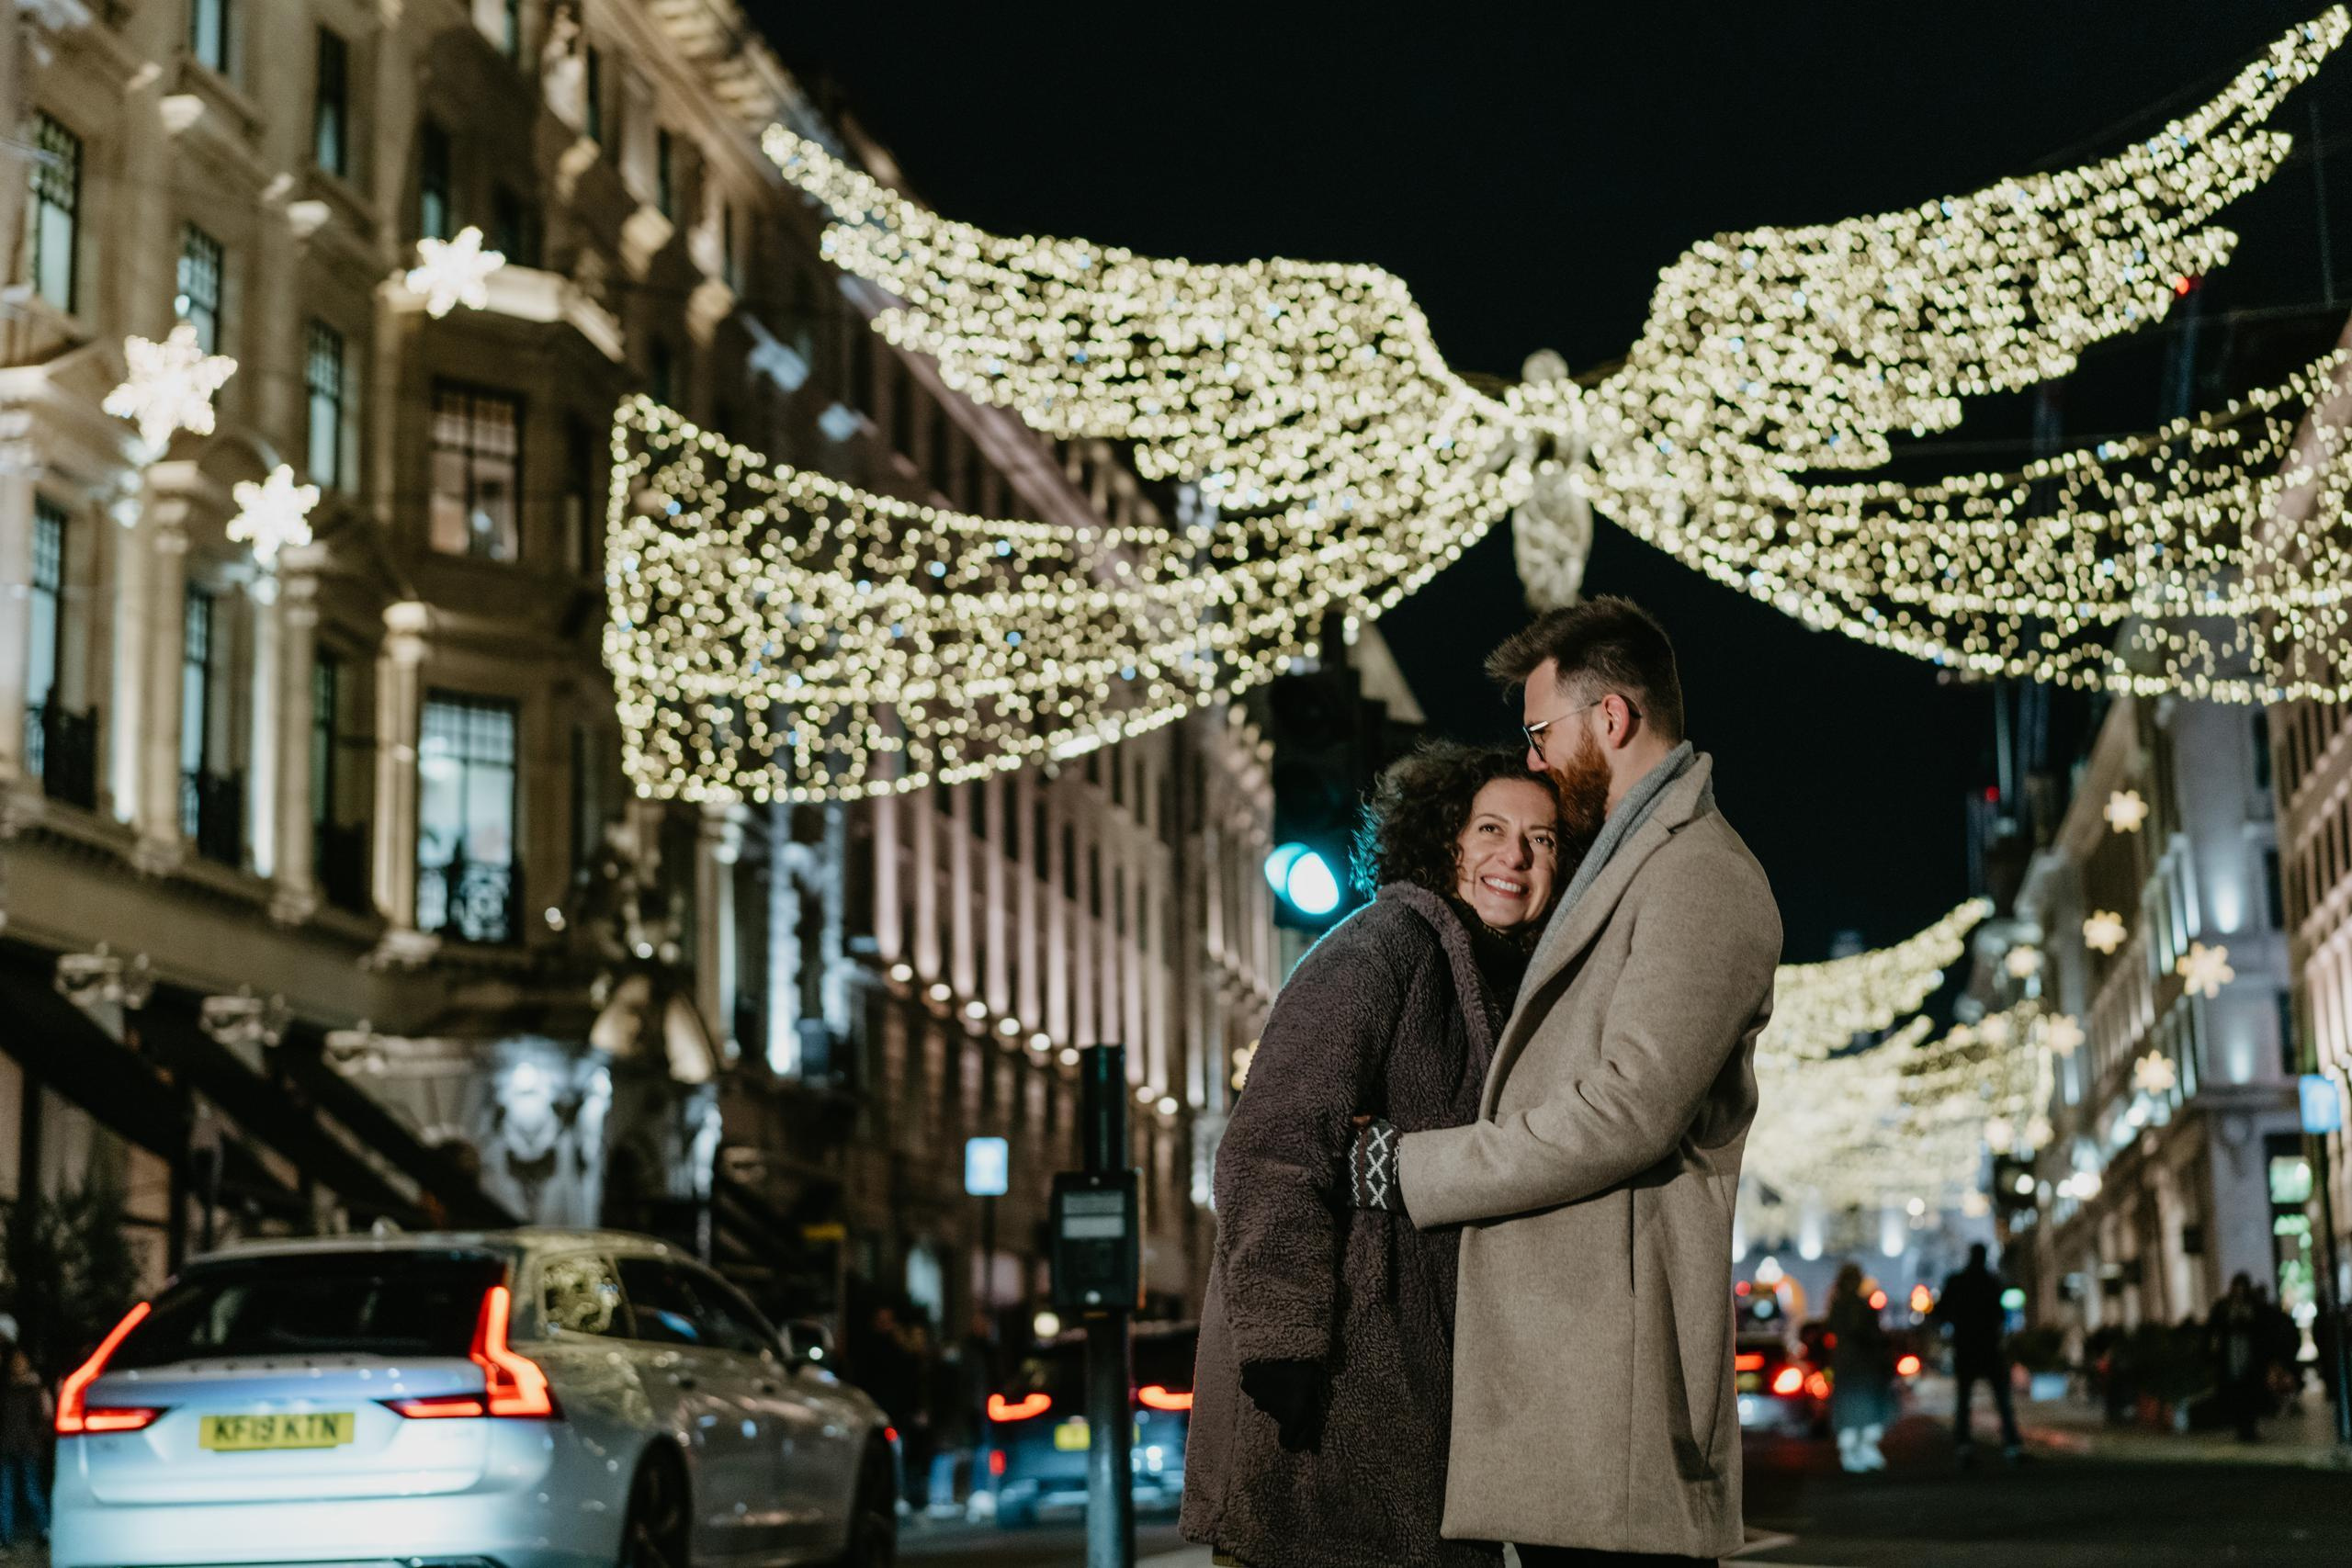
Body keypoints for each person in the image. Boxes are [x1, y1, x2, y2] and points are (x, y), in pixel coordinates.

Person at [1350, 599, 1782, 1567]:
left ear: (1613, 720)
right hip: (1571, 1376)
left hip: (1610, 1385)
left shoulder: (1700, 875)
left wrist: (1407, 1169)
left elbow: (1628, 1109)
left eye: (1541, 734)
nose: (1535, 759)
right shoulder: (1628, 864)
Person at [1182, 741, 1566, 1568]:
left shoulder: (1509, 981)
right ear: (1444, 842)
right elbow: (1271, 1145)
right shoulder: (1381, 946)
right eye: (1491, 828)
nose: (1515, 855)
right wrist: (1284, 1344)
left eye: (1542, 839)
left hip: (1423, 1400)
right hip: (1333, 1401)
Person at [1937, 1243, 2022, 1463]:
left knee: (1964, 1398)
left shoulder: (1958, 1282)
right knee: (2001, 1397)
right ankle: (2011, 1444)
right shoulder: (1991, 1281)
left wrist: (1953, 1328)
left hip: (1966, 1346)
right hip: (1988, 1345)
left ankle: (1964, 1446)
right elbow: (2001, 1315)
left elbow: (1940, 1313)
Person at [1825, 1264, 1894, 1473]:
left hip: (1850, 1365)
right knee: (1864, 1407)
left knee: (1853, 1408)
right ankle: (1858, 1451)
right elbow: (1864, 1332)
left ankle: (1857, 1451)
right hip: (1860, 1365)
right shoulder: (1855, 1305)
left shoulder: (1839, 1305)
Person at [0, 1315, 51, 1551]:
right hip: (12, 1445)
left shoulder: (31, 1388)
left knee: (28, 1491)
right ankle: (7, 1536)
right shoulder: (9, 1387)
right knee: (9, 1493)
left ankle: (44, 1530)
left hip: (24, 1445)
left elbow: (41, 1416)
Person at [2207, 1273, 2267, 1442]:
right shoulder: (2225, 1307)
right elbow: (2215, 1328)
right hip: (2233, 1355)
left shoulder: (2253, 1306)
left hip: (2248, 1355)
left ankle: (2249, 1428)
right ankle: (2242, 1429)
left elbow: (2263, 1328)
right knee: (2237, 1394)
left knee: (2249, 1393)